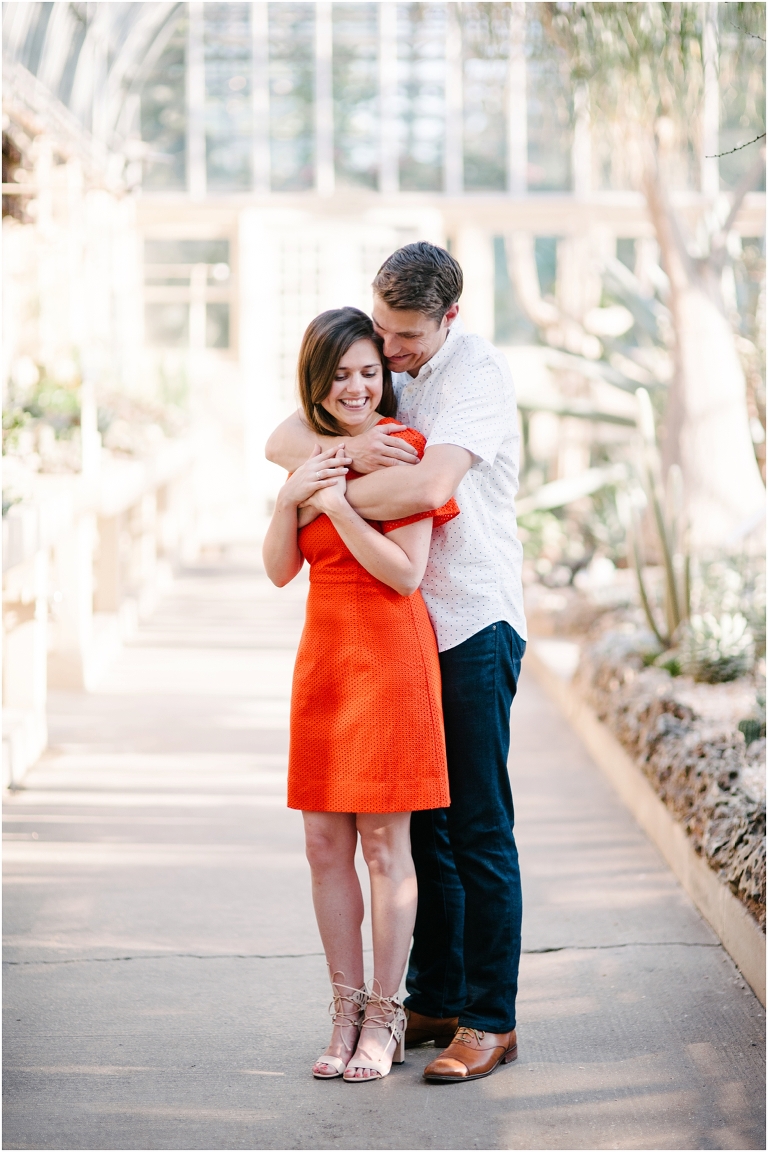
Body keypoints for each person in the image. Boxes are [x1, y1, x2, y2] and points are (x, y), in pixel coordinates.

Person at [266, 241, 527, 1084]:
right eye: (382, 330)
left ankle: (490, 1019)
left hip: (473, 621)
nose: (390, 349)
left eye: (406, 336)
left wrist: (324, 489)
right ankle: (436, 999)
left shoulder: (474, 377)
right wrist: (328, 462)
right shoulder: (388, 367)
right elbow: (282, 436)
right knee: (428, 831)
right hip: (402, 635)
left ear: (451, 318)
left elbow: (422, 490)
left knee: (477, 826)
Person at [262, 306, 459, 1083]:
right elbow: (281, 570)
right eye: (340, 374)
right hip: (325, 664)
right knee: (323, 845)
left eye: (369, 373)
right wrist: (292, 498)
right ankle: (343, 1012)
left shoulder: (402, 449)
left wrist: (337, 503)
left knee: (383, 845)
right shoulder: (315, 453)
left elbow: (406, 573)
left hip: (388, 660)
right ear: (317, 381)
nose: (356, 387)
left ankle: (385, 1015)